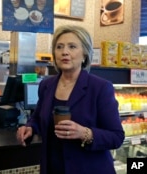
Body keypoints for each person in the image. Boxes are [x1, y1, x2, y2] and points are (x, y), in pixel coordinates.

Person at [16, 25, 125, 174]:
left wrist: (84, 133)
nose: (64, 52)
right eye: (59, 47)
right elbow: (37, 118)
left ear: (85, 54)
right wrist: (30, 127)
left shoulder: (100, 88)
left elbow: (116, 137)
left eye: (72, 47)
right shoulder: (46, 85)